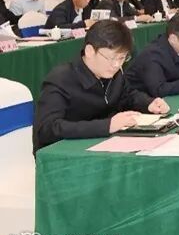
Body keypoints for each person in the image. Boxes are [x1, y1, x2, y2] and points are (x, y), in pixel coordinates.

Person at [32, 20, 169, 153]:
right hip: (62, 153)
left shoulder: (113, 73)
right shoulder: (60, 79)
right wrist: (107, 125)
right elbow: (47, 129)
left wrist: (149, 103)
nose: (116, 65)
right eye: (112, 58)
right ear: (90, 51)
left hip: (102, 145)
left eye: (122, 58)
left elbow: (127, 96)